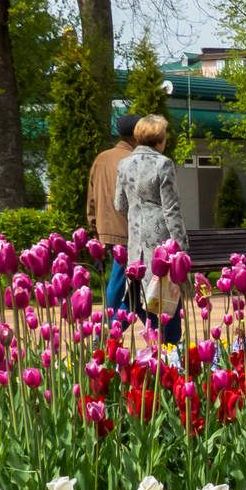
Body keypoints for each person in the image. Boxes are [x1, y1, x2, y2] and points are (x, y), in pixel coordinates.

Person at [113, 114, 188, 343]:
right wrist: (181, 247)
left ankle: (111, 331)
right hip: (161, 245)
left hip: (136, 243)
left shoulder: (123, 165)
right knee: (166, 298)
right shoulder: (162, 164)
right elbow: (171, 209)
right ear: (159, 139)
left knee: (135, 294)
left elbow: (119, 204)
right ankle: (169, 346)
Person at [88, 115, 136, 310]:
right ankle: (107, 330)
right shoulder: (133, 159)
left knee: (125, 284)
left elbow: (91, 198)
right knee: (119, 284)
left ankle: (113, 326)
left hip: (104, 228)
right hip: (127, 230)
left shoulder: (101, 158)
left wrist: (94, 228)